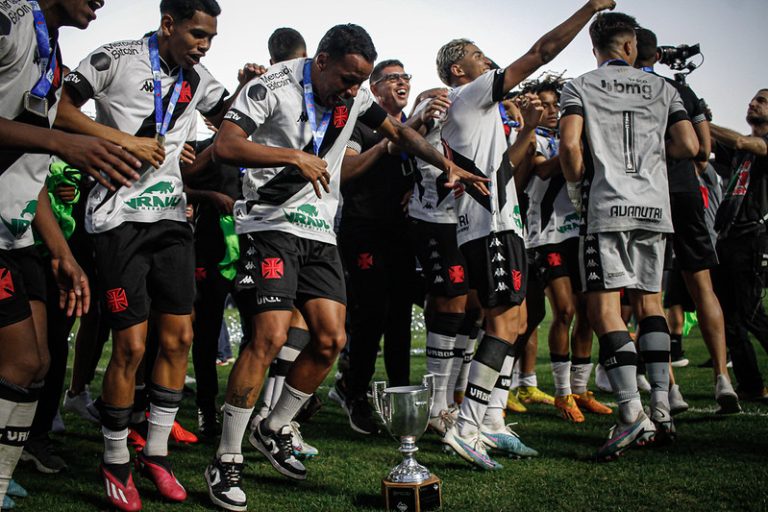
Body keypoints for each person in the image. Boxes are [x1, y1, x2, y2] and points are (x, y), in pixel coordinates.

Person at [204, 23, 486, 511]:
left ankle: (274, 427)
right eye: (348, 79)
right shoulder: (270, 86)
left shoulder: (353, 97)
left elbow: (398, 132)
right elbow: (226, 147)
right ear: (322, 60)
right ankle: (226, 458)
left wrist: (449, 167)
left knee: (332, 339)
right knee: (268, 337)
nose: (354, 91)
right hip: (268, 225)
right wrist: (293, 157)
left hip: (319, 233)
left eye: (361, 82)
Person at [56, 0, 242, 508]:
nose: (204, 46)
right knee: (132, 347)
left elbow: (236, 131)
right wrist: (120, 140)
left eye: (211, 38)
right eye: (198, 34)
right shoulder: (115, 57)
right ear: (168, 25)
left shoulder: (201, 78)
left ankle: (154, 455)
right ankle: (115, 459)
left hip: (170, 220)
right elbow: (60, 109)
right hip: (117, 221)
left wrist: (197, 155)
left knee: (178, 338)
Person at [435, 0, 619, 470]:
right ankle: (467, 423)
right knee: (501, 323)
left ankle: (492, 421)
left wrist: (530, 129)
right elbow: (542, 50)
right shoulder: (470, 94)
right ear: (460, 69)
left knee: (515, 321)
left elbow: (506, 175)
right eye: (479, 55)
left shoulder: (480, 114)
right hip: (489, 226)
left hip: (500, 221)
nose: (489, 60)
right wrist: (589, 9)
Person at [0, 0, 143, 506]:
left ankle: (5, 470)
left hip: (18, 232)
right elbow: (41, 141)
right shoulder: (9, 16)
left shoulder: (50, 49)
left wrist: (62, 252)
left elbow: (23, 170)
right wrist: (63, 143)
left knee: (36, 362)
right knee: (19, 359)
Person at [560, 12, 699, 461]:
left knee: (604, 308)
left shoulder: (579, 85)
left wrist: (579, 186)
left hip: (606, 206)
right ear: (631, 45)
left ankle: (630, 413)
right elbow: (689, 146)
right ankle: (662, 409)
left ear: (595, 46)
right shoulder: (665, 88)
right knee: (649, 303)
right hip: (654, 207)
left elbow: (568, 146)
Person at [634, 27, 740, 415]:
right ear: (656, 55)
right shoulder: (678, 90)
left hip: (643, 194)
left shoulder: (622, 89)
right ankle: (722, 379)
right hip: (684, 190)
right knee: (703, 288)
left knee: (651, 294)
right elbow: (704, 150)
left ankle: (670, 389)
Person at [334, 59, 419, 434]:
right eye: (393, 78)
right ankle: (355, 393)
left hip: (400, 232)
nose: (402, 83)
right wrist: (386, 145)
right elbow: (345, 172)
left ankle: (401, 400)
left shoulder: (414, 129)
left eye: (406, 77)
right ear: (374, 87)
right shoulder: (361, 123)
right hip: (362, 229)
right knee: (370, 316)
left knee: (400, 316)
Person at [709, 89, 768, 402]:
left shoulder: (760, 145)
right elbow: (708, 149)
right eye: (753, 99)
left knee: (751, 312)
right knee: (728, 317)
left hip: (753, 236)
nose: (753, 102)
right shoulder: (740, 151)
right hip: (728, 236)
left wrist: (703, 120)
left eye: (763, 100)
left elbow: (745, 142)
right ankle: (751, 385)